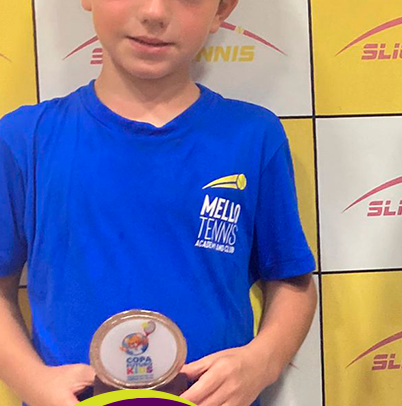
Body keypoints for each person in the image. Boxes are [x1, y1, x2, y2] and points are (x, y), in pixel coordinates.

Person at [0, 1, 317, 405]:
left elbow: (292, 281)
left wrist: (263, 361)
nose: (154, 12)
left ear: (222, 10)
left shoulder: (253, 136)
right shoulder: (25, 138)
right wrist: (32, 381)